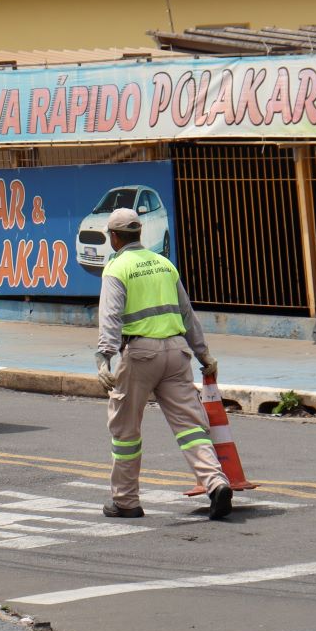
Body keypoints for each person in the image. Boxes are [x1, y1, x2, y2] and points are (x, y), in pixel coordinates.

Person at [94, 207, 232, 521]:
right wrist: (204, 355)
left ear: (114, 237)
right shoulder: (164, 264)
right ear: (139, 233)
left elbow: (111, 317)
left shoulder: (117, 268)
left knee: (125, 430)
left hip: (140, 355)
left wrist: (104, 357)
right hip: (177, 353)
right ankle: (216, 482)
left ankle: (126, 501)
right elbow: (187, 314)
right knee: (190, 426)